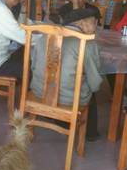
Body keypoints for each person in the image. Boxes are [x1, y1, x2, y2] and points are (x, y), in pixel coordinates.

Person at [30, 8, 102, 140]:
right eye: (95, 22)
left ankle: (56, 118)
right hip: (69, 100)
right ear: (82, 23)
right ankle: (90, 134)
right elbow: (95, 84)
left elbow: (33, 65)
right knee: (91, 88)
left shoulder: (45, 36)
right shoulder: (87, 42)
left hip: (39, 91)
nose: (96, 27)